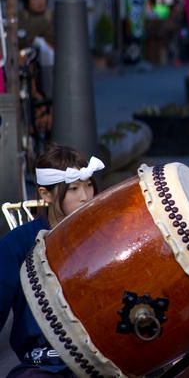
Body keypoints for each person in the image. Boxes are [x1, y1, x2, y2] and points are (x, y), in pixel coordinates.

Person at [1, 145, 104, 377]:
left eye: (89, 186)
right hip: (45, 366)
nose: (85, 197)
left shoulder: (104, 234)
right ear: (45, 194)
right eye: (74, 189)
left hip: (106, 360)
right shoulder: (17, 243)